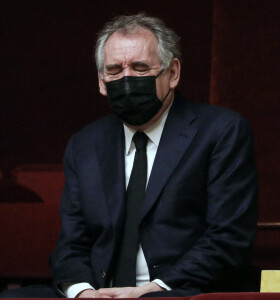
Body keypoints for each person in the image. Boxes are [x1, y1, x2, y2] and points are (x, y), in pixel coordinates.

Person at [0, 13, 258, 298]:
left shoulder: (221, 131)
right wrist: (83, 292)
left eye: (140, 67)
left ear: (172, 73)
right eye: (114, 70)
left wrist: (151, 290)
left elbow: (227, 236)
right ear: (101, 81)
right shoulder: (84, 144)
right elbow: (71, 243)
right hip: (100, 292)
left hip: (180, 290)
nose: (126, 79)